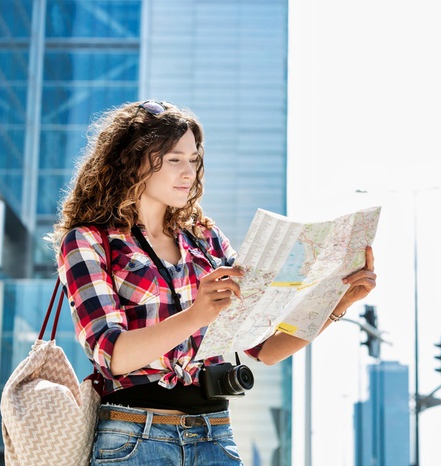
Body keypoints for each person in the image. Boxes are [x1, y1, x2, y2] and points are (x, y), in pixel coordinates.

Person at [49, 100, 376, 465]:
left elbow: (265, 349)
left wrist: (338, 304)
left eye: (193, 159)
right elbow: (113, 355)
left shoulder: (206, 239)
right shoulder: (89, 241)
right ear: (133, 160)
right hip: (133, 437)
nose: (188, 171)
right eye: (173, 159)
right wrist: (197, 314)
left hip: (214, 434)